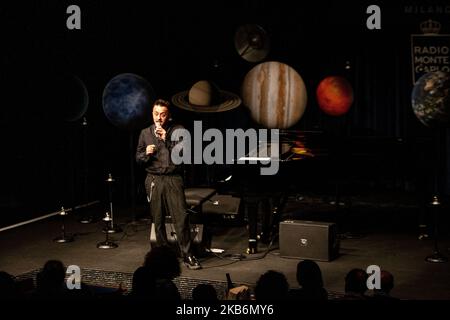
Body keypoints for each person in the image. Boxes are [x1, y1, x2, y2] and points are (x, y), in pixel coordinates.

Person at [136, 99, 201, 270]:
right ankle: (161, 257)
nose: (159, 118)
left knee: (181, 218)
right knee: (157, 220)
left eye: (163, 114)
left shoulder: (179, 130)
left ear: (168, 115)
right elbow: (138, 158)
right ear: (152, 114)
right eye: (156, 114)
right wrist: (146, 154)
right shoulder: (145, 133)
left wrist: (167, 139)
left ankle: (187, 255)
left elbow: (185, 154)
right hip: (154, 179)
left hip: (173, 178)